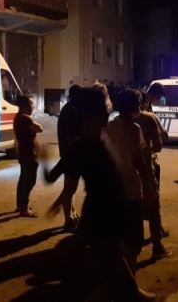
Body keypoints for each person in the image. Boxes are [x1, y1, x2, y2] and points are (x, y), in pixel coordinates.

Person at [45, 87, 156, 301]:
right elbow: (59, 178)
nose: (106, 115)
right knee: (106, 255)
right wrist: (43, 161)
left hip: (107, 209)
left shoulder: (99, 141)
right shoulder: (85, 147)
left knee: (107, 256)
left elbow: (57, 178)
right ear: (89, 117)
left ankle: (120, 292)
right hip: (99, 212)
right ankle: (127, 294)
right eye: (102, 112)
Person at [103, 89, 157, 271]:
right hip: (131, 189)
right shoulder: (134, 129)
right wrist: (149, 188)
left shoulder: (108, 126)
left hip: (111, 189)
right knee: (133, 240)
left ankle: (118, 276)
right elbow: (139, 161)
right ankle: (129, 278)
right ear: (136, 106)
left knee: (117, 236)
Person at [134, 90, 171, 259]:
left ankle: (134, 245)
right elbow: (159, 144)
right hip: (146, 168)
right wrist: (147, 149)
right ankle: (157, 247)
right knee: (153, 205)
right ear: (142, 102)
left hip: (124, 171)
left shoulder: (116, 122)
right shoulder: (149, 118)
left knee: (133, 206)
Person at [57, 84, 82, 231]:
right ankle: (68, 219)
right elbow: (71, 134)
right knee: (70, 187)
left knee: (71, 187)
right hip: (72, 155)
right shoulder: (71, 110)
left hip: (70, 154)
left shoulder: (69, 108)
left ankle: (72, 214)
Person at [14, 94, 42, 217]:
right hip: (29, 153)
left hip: (24, 152)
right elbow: (40, 128)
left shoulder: (19, 117)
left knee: (23, 179)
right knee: (29, 181)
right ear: (25, 105)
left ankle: (20, 205)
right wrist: (33, 121)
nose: (33, 106)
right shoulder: (25, 118)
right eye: (31, 104)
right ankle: (24, 208)